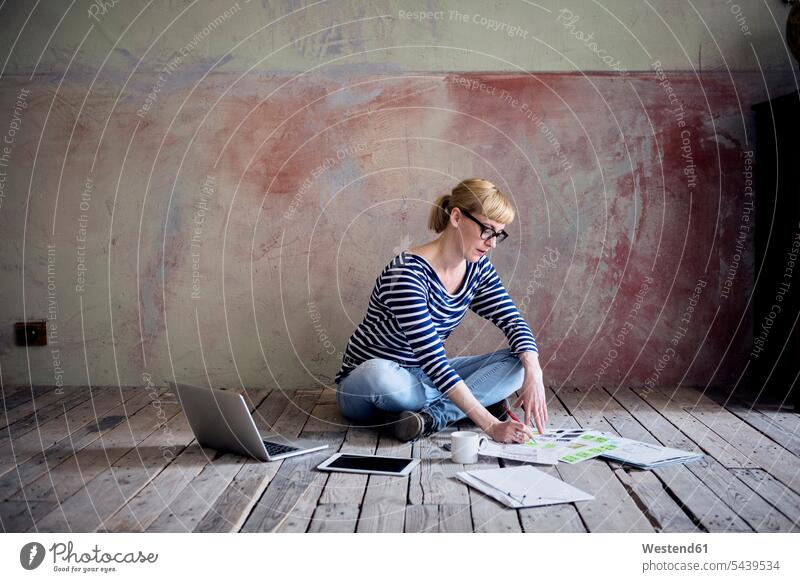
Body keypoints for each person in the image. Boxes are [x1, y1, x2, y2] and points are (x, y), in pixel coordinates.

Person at [334, 178, 548, 443]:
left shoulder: (477, 270)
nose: (492, 243)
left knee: (518, 364)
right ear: (457, 217)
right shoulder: (408, 274)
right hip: (372, 384)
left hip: (425, 378)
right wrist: (491, 425)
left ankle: (428, 418)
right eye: (487, 230)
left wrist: (534, 371)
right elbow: (434, 360)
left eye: (498, 234)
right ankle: (465, 403)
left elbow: (513, 321)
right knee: (376, 375)